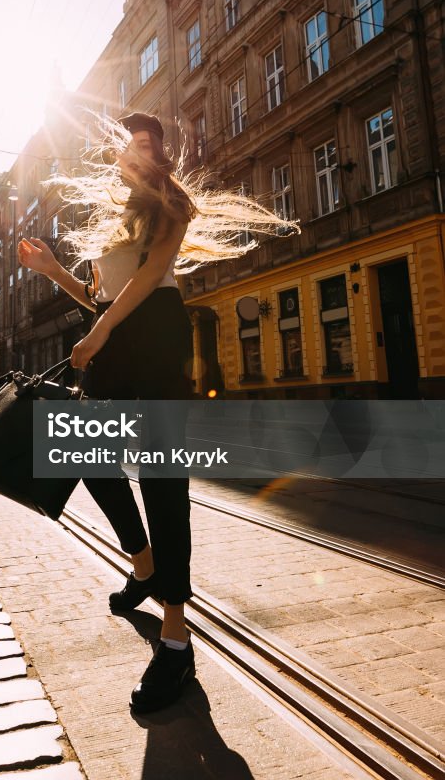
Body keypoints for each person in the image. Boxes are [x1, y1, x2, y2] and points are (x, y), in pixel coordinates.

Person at [19, 112, 297, 713]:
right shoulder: (110, 219)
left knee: (163, 480)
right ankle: (144, 566)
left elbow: (147, 280)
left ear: (160, 158)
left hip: (155, 337)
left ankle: (175, 639)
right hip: (114, 338)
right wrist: (52, 272)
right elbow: (99, 296)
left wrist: (99, 334)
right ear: (119, 158)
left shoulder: (172, 203)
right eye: (131, 148)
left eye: (149, 148)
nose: (140, 156)